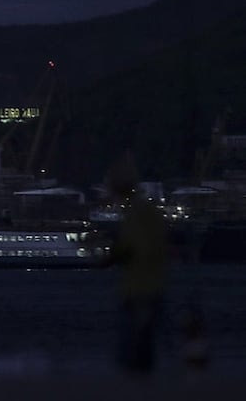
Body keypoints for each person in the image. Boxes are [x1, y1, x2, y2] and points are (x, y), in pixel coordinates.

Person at [107, 150, 167, 374]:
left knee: (133, 346)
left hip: (137, 289)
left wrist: (107, 259)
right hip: (156, 284)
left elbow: (131, 249)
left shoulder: (134, 214)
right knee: (148, 345)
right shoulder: (151, 211)